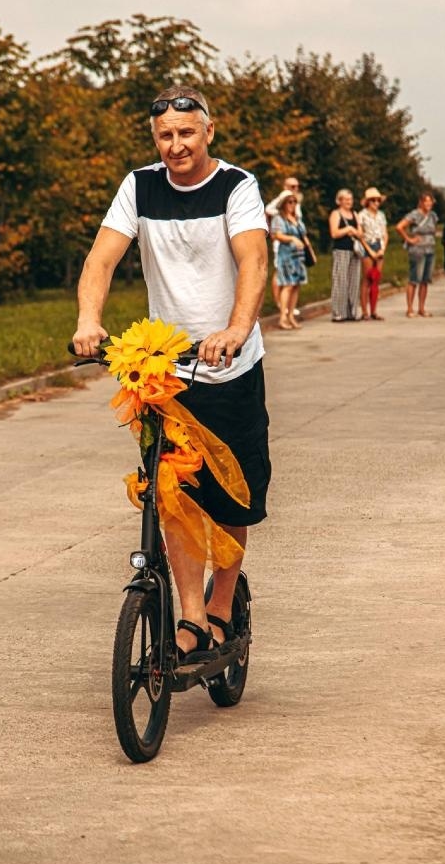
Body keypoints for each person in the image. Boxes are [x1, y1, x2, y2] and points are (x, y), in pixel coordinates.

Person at [72, 85, 270, 661]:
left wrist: (235, 329)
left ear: (209, 132)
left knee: (234, 494)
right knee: (172, 493)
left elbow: (253, 260)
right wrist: (89, 320)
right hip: (167, 371)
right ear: (154, 139)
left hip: (230, 366)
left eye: (187, 133)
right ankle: (188, 614)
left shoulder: (238, 187)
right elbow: (101, 259)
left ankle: (220, 605)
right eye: (165, 136)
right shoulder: (140, 185)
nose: (176, 145)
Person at [271, 192, 315, 329]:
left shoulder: (297, 219)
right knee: (288, 285)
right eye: (289, 202)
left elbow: (304, 236)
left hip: (299, 257)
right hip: (286, 257)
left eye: (294, 202)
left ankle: (291, 316)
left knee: (296, 286)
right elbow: (276, 235)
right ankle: (283, 317)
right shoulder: (279, 218)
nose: (292, 204)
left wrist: (311, 252)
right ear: (283, 204)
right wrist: (292, 239)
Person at [396, 192, 438, 317]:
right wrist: (409, 239)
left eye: (430, 201)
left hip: (430, 248)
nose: (428, 204)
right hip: (417, 250)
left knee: (425, 280)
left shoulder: (433, 216)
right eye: (426, 201)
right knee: (414, 279)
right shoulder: (415, 214)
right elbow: (400, 227)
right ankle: (410, 308)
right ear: (421, 202)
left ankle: (422, 308)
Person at [265, 176, 303, 309]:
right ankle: (280, 304)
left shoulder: (294, 199)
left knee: (292, 275)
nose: (296, 189)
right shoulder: (283, 197)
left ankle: (288, 305)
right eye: (293, 186)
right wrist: (283, 214)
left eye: (297, 186)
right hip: (283, 240)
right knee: (279, 272)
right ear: (285, 187)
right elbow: (268, 209)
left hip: (294, 241)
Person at [328, 189, 365, 322]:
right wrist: (348, 230)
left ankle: (352, 312)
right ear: (340, 201)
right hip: (341, 250)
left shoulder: (355, 214)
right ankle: (338, 313)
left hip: (354, 251)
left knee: (354, 282)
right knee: (340, 281)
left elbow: (360, 233)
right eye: (346, 199)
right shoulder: (336, 214)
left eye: (351, 199)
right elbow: (334, 233)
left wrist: (355, 231)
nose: (349, 202)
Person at [356, 187, 388, 320]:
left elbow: (385, 233)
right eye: (373, 200)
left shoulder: (381, 215)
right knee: (367, 279)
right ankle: (364, 311)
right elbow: (360, 235)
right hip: (367, 245)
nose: (376, 203)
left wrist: (382, 249)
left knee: (376, 279)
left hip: (379, 244)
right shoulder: (362, 215)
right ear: (368, 202)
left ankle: (374, 310)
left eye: (378, 200)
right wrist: (369, 251)